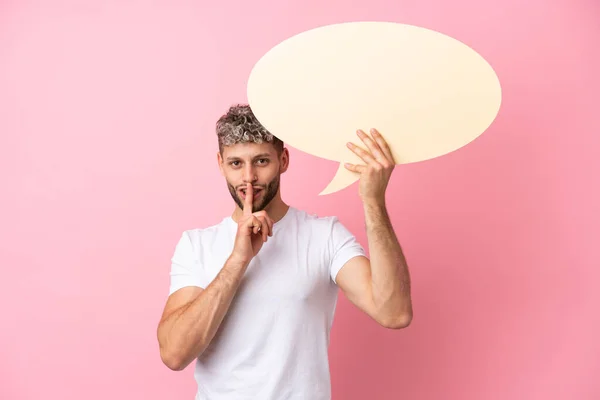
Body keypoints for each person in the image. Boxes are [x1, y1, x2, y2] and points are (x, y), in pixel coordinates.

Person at [156, 104, 413, 399]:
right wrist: (238, 261)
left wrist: (373, 201)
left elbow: (394, 313)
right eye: (236, 163)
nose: (248, 177)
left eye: (261, 161)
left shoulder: (324, 236)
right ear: (220, 163)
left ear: (284, 159)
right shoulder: (196, 245)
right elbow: (174, 354)